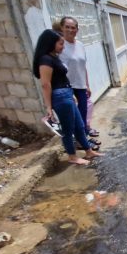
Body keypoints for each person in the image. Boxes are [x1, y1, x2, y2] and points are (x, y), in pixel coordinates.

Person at [32, 29, 102, 165]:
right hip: (60, 97)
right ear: (50, 43)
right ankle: (72, 156)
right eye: (60, 44)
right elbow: (46, 84)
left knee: (79, 126)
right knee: (68, 129)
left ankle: (89, 151)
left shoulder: (54, 57)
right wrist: (49, 107)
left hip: (67, 94)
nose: (63, 47)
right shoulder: (45, 60)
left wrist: (71, 94)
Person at [58, 16, 101, 146]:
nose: (71, 30)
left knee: (82, 114)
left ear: (77, 29)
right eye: (67, 27)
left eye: (73, 27)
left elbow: (83, 67)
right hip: (66, 87)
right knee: (71, 117)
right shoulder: (59, 46)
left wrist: (87, 85)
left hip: (80, 85)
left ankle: (83, 138)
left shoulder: (80, 45)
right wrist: (68, 91)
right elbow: (57, 69)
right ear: (62, 28)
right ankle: (76, 142)